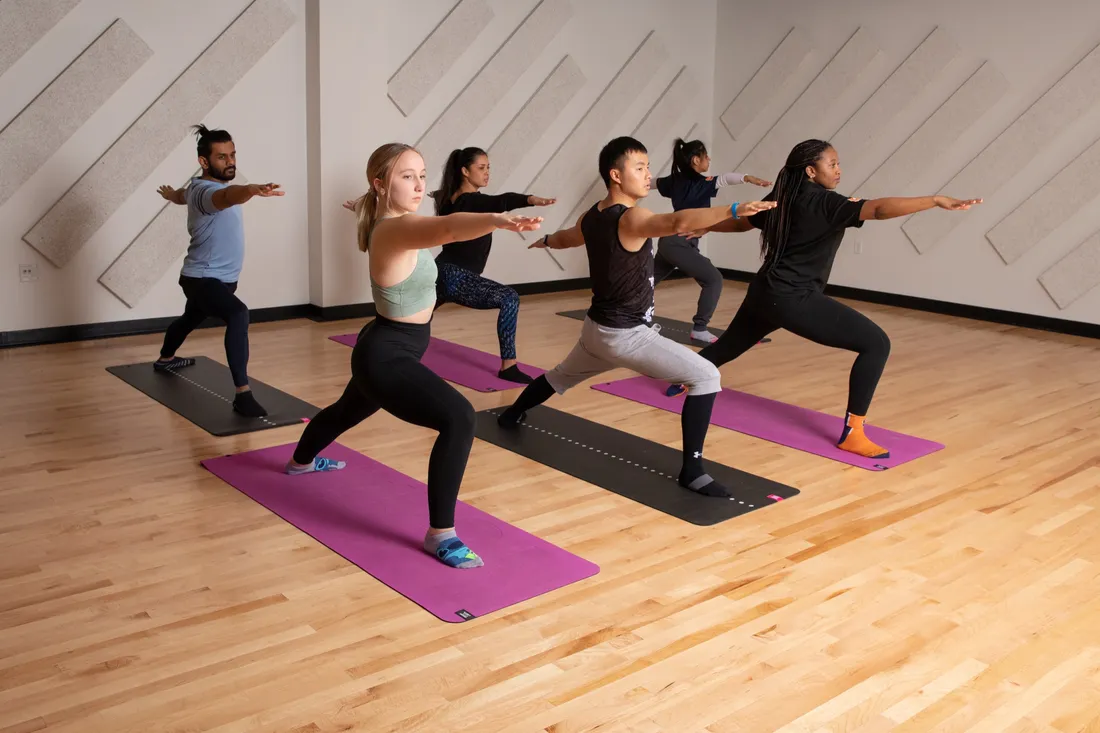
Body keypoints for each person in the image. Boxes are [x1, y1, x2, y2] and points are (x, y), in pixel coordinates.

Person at [289, 143, 542, 569]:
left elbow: (394, 214)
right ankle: (441, 535)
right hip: (387, 354)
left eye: (422, 175)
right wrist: (496, 220)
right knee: (459, 416)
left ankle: (300, 462)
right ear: (381, 183)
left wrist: (362, 203)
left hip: (387, 345)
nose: (419, 183)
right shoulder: (394, 230)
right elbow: (447, 228)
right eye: (407, 175)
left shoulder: (392, 220)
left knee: (346, 410)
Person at [496, 137, 775, 498]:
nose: (647, 175)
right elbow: (677, 220)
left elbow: (567, 237)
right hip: (625, 335)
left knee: (560, 376)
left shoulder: (593, 215)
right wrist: (733, 209)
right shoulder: (631, 217)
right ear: (616, 175)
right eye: (639, 168)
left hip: (597, 330)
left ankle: (511, 414)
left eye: (647, 166)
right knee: (706, 375)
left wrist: (546, 240)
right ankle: (692, 470)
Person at [670, 139, 982, 459]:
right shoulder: (826, 203)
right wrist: (933, 200)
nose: (838, 170)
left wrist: (709, 228)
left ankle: (683, 378)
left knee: (729, 346)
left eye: (837, 164)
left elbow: (745, 221)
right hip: (793, 298)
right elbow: (878, 208)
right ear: (810, 170)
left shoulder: (785, 196)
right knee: (876, 344)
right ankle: (853, 433)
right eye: (831, 164)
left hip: (765, 292)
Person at [153, 124, 283, 418]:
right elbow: (228, 198)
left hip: (217, 280)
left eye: (233, 154)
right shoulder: (208, 193)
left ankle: (165, 359)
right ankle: (243, 394)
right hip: (203, 278)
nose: (231, 162)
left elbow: (182, 195)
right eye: (222, 157)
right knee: (238, 314)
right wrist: (250, 189)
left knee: (190, 318)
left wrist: (171, 193)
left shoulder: (196, 189)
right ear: (204, 162)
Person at [431, 147, 556, 383]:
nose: (487, 173)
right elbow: (501, 200)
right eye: (481, 168)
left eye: (488, 167)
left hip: (441, 271)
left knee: (413, 317)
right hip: (456, 276)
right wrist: (530, 200)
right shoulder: (471, 200)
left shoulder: (449, 198)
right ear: (465, 171)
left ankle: (378, 344)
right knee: (509, 298)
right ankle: (508, 366)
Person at [651, 138, 771, 343]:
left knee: (646, 281)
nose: (709, 159)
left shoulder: (673, 181)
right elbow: (725, 179)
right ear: (696, 160)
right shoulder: (701, 183)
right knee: (713, 280)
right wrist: (749, 178)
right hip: (679, 242)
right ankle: (699, 328)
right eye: (706, 156)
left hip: (669, 241)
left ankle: (625, 315)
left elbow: (649, 183)